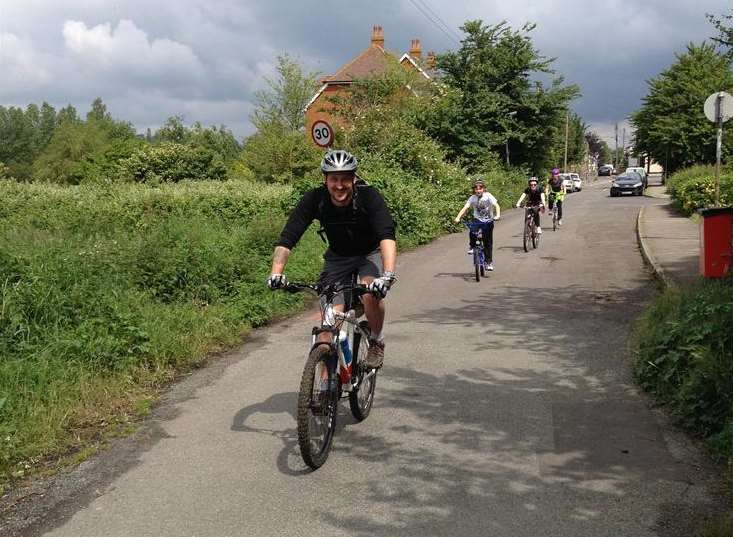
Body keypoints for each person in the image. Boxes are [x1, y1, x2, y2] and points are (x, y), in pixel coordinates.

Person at [266, 149, 397, 369]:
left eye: (345, 179)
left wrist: (387, 275)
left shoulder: (368, 195)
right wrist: (276, 272)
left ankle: (376, 339)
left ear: (354, 179)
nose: (339, 185)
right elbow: (288, 237)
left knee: (369, 292)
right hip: (338, 258)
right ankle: (322, 391)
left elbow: (386, 235)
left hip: (368, 253)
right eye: (334, 179)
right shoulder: (315, 199)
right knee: (327, 328)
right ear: (325, 180)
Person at [453, 178, 501, 271]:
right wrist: (458, 217)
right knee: (472, 230)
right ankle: (472, 246)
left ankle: (488, 262)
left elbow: (496, 205)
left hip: (488, 221)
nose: (478, 190)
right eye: (476, 188)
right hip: (477, 219)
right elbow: (465, 208)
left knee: (488, 243)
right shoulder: (472, 198)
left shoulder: (488, 196)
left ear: (484, 189)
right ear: (474, 190)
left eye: (480, 188)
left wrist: (498, 215)